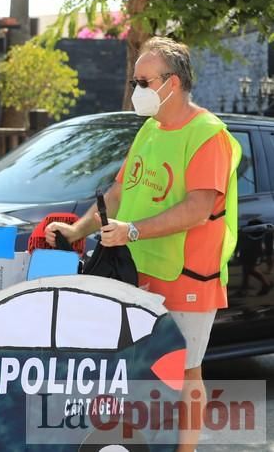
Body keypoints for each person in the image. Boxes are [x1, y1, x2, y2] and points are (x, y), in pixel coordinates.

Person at [46, 37, 241, 452]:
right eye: (135, 80)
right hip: (139, 272)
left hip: (188, 277)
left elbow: (198, 209)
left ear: (172, 83)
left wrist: (133, 231)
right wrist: (77, 231)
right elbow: (117, 193)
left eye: (143, 81)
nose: (136, 89)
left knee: (186, 371)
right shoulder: (150, 129)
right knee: (140, 372)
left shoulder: (208, 135)